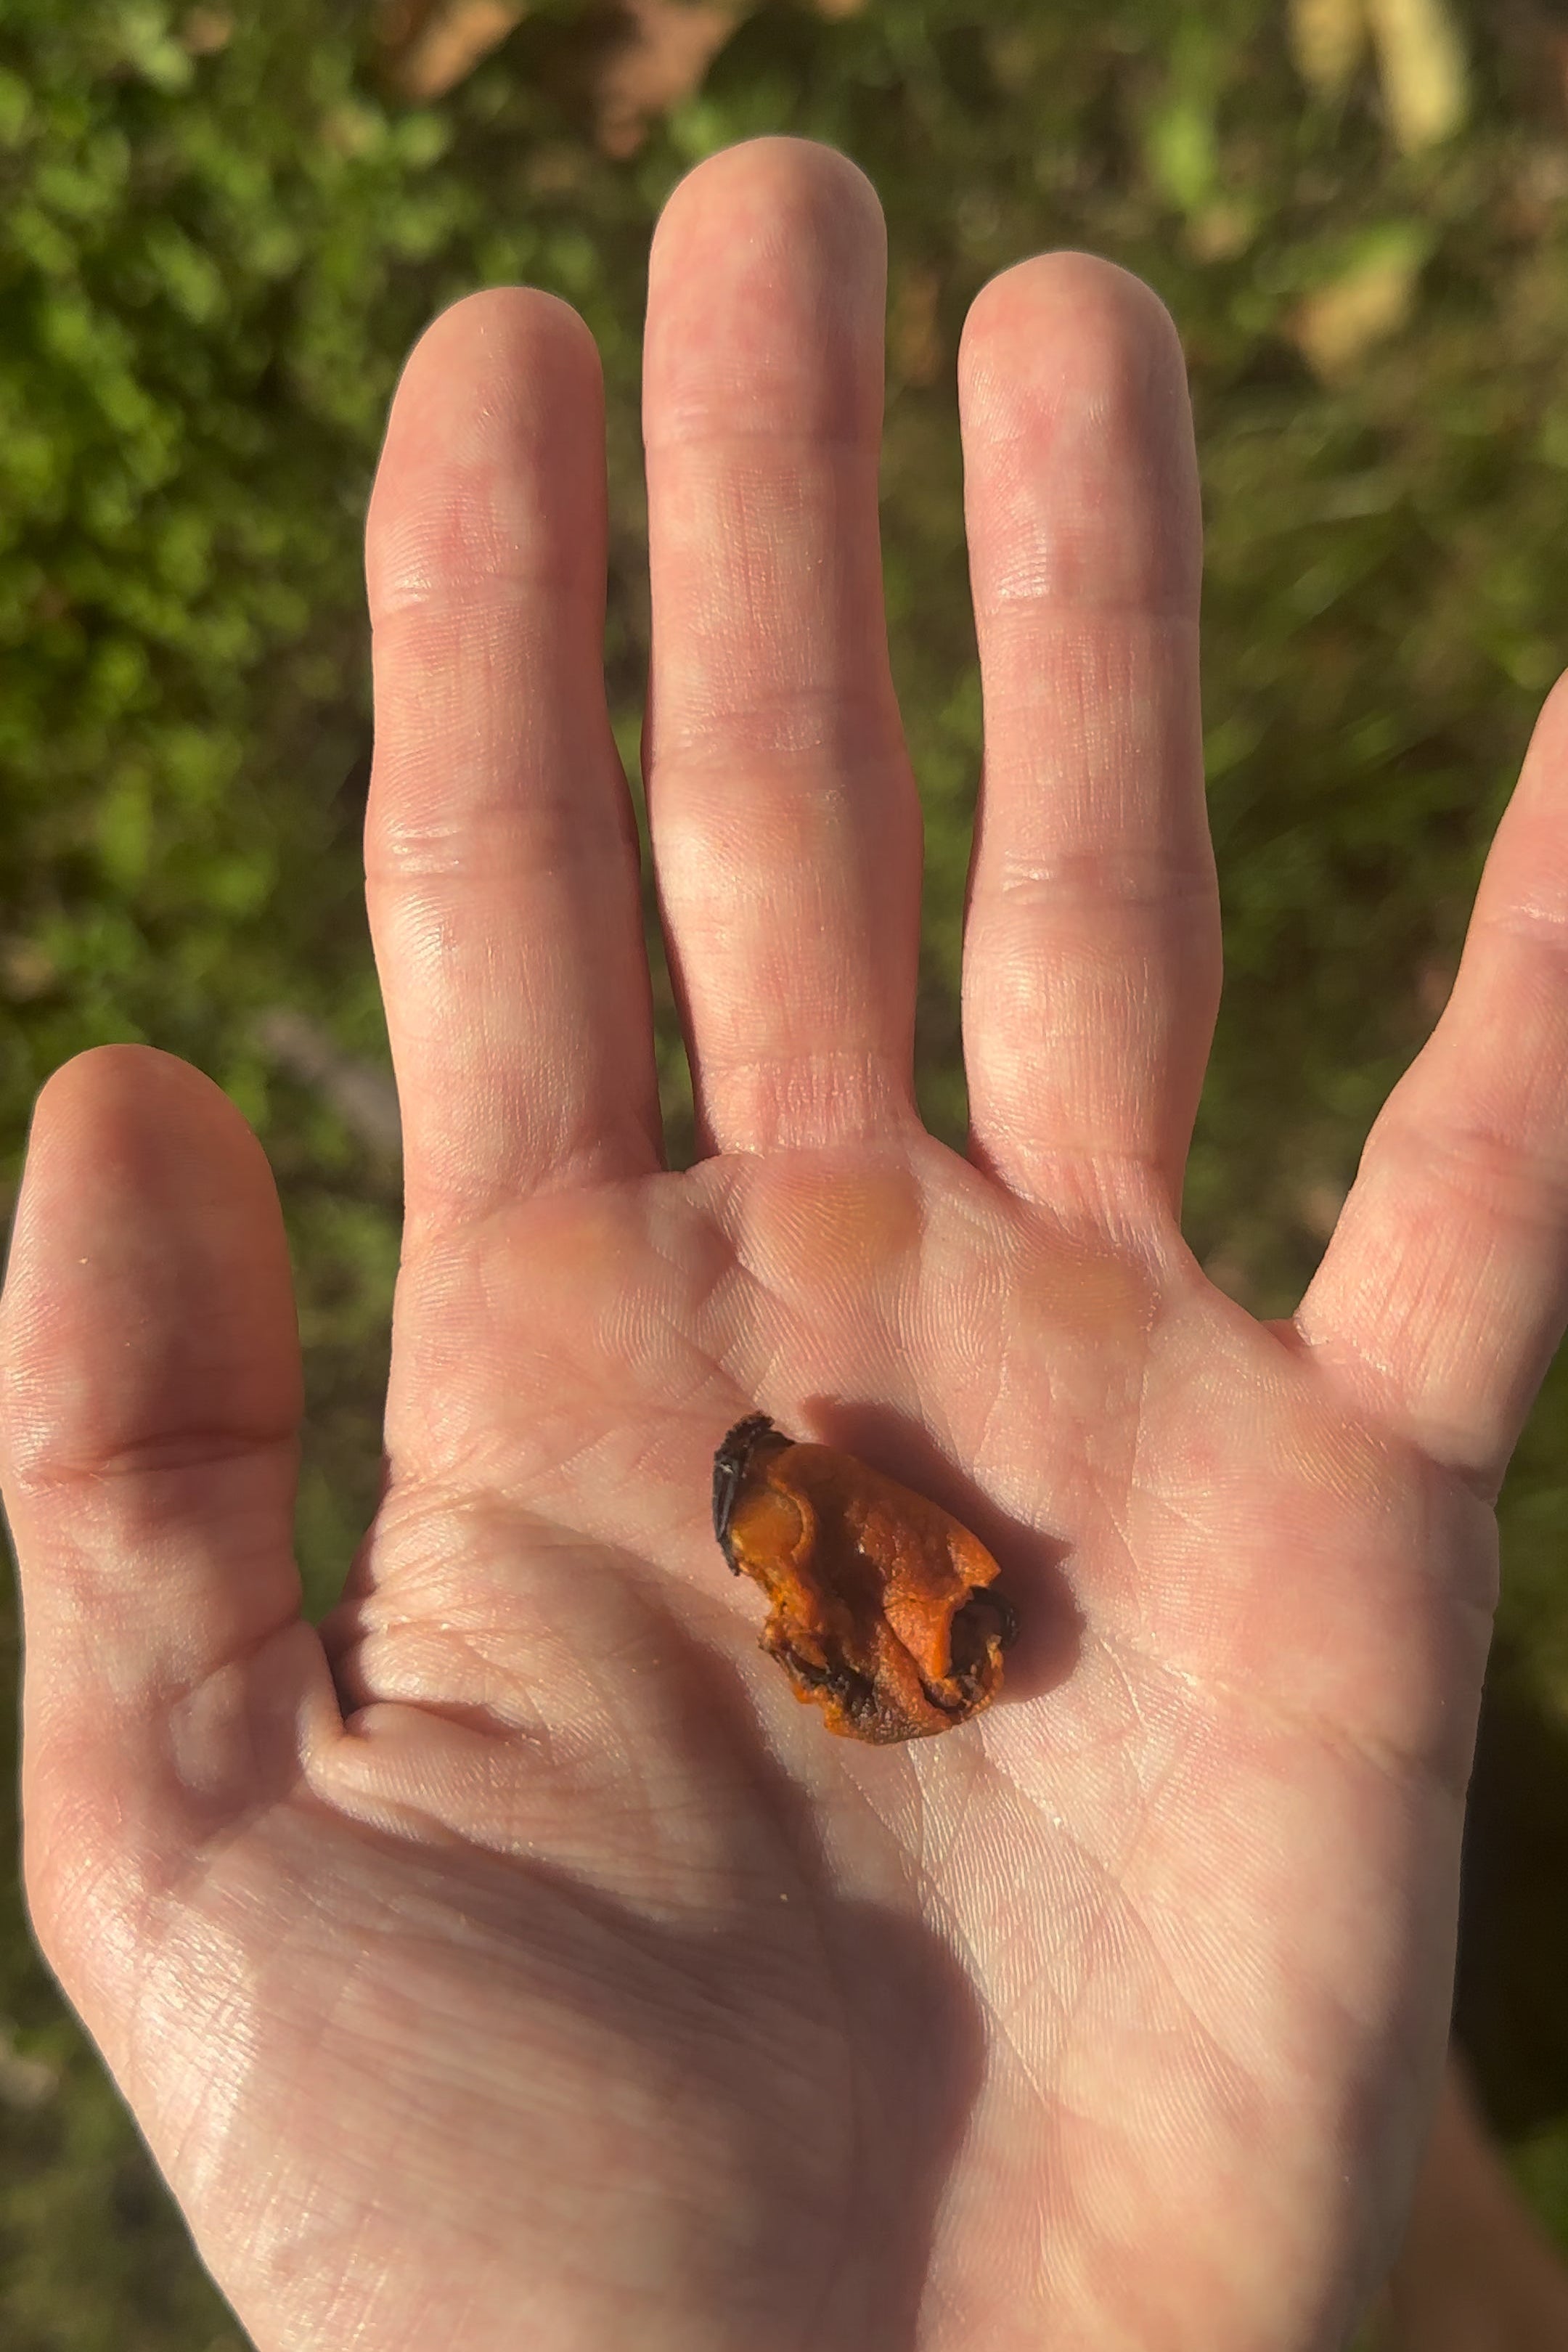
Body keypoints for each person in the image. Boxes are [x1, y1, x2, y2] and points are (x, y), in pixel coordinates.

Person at [1, 133, 1564, 2351]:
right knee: (1404, 2169)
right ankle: (1428, 2201)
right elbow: (859, 1622)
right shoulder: (848, 1585)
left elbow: (867, 1610)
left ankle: (1424, 2195)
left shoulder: (857, 1570)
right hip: (933, 1716)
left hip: (917, 1672)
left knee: (1393, 2157)